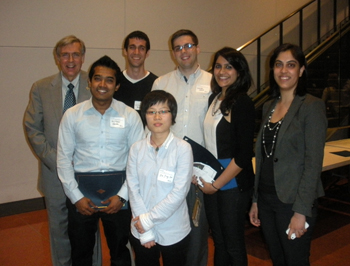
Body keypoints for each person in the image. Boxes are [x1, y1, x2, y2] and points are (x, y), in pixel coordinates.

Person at [57, 55, 144, 266]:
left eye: (109, 80)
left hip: (118, 198)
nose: (102, 85)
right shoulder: (72, 115)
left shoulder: (130, 116)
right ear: (89, 82)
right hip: (82, 197)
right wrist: (76, 197)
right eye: (98, 79)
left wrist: (123, 197)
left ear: (117, 85)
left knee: (120, 254)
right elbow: (63, 159)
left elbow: (139, 161)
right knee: (81, 253)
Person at [24, 35, 101, 266]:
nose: (70, 60)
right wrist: (58, 161)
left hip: (89, 174)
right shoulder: (40, 88)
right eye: (65, 54)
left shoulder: (96, 84)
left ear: (83, 57)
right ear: (58, 58)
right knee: (58, 228)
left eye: (75, 54)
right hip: (54, 174)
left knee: (91, 229)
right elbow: (33, 129)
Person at [249, 43, 327, 266]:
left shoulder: (311, 106)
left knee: (295, 260)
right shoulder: (268, 107)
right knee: (278, 259)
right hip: (266, 199)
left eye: (291, 65)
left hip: (293, 202)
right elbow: (264, 158)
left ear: (301, 70)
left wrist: (301, 212)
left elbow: (313, 164)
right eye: (278, 65)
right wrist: (255, 200)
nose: (284, 71)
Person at [152, 29, 212, 266]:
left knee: (197, 229)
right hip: (168, 169)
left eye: (188, 46)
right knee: (168, 228)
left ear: (197, 48)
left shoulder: (213, 82)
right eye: (178, 48)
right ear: (172, 52)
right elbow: (153, 126)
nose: (183, 51)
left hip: (200, 170)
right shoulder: (162, 83)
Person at [199, 47, 255, 265]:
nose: (222, 71)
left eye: (228, 67)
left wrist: (216, 185)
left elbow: (243, 156)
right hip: (213, 177)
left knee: (233, 243)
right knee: (219, 241)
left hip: (232, 181)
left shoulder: (242, 102)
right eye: (218, 66)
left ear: (239, 71)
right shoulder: (215, 98)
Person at [127, 90, 193, 266]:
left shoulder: (183, 148)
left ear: (172, 116)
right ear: (145, 116)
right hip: (140, 228)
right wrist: (145, 230)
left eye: (163, 111)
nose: (157, 116)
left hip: (174, 228)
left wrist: (148, 221)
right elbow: (133, 189)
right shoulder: (136, 149)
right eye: (151, 111)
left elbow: (180, 192)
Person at [113, 30, 157, 118]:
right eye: (132, 47)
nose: (136, 52)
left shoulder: (156, 83)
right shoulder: (114, 81)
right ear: (125, 51)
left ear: (147, 53)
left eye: (141, 48)